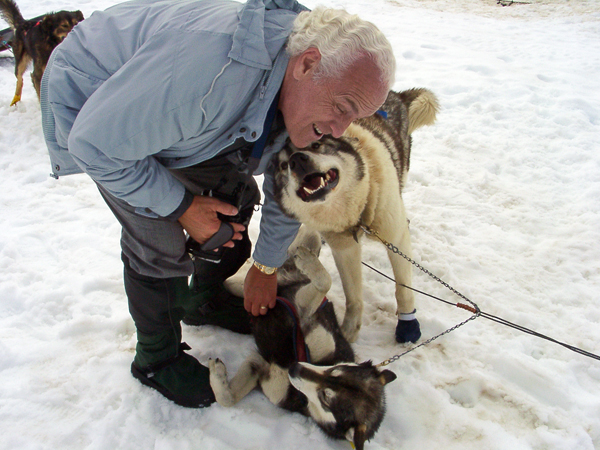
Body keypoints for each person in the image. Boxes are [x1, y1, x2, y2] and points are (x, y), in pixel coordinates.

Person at [41, 0, 395, 408]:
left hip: (176, 114)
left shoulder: (309, 81)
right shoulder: (210, 78)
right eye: (342, 109)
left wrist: (265, 266)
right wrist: (183, 207)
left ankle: (201, 300)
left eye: (356, 117)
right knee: (160, 234)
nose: (339, 130)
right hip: (102, 105)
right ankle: (155, 358)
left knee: (234, 198)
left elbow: (287, 181)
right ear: (307, 65)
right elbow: (96, 145)